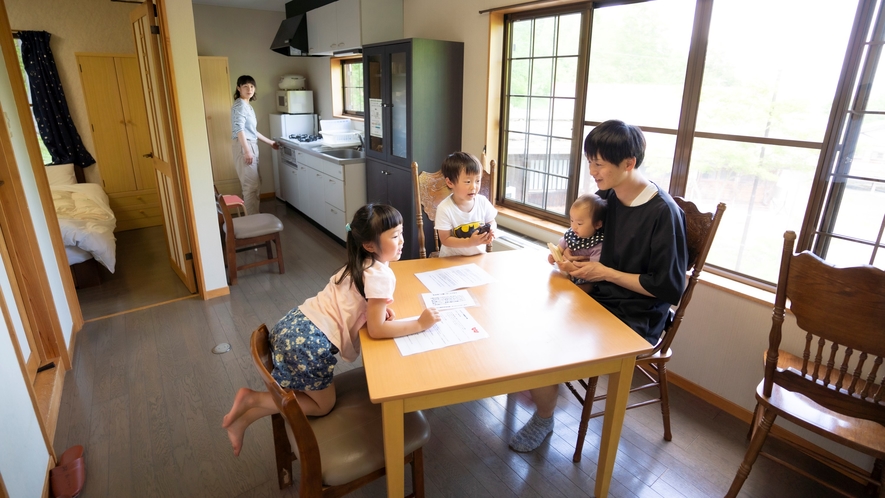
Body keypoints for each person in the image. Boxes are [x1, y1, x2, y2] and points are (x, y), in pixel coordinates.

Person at [509, 120, 688, 453]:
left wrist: (604, 273)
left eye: (599, 163)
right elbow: (585, 239)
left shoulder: (664, 213)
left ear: (629, 163)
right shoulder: (609, 199)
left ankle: (544, 410)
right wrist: (569, 258)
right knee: (529, 315)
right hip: (597, 295)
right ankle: (542, 386)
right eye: (590, 161)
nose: (592, 170)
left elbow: (668, 288)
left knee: (543, 342)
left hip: (636, 315)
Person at [222, 204, 441, 456]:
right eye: (394, 236)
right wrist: (420, 323)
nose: (402, 241)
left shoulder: (358, 264)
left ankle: (243, 419)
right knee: (323, 406)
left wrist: (372, 311)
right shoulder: (381, 275)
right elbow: (378, 330)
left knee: (312, 397)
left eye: (401, 233)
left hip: (293, 325)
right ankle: (253, 399)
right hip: (308, 345)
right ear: (369, 245)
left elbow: (357, 306)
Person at [434, 152, 498, 257]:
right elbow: (445, 239)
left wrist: (492, 230)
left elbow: (492, 221)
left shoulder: (482, 201)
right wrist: (469, 242)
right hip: (451, 260)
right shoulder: (444, 208)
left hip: (478, 257)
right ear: (450, 182)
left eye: (477, 181)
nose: (474, 187)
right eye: (468, 182)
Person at [231, 75, 279, 215]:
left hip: (250, 145)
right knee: (250, 187)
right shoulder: (240, 105)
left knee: (255, 185)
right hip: (244, 146)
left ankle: (254, 219)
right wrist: (246, 150)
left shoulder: (247, 106)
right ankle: (252, 223)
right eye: (245, 86)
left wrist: (270, 142)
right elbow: (238, 129)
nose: (249, 89)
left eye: (251, 86)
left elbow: (252, 131)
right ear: (238, 88)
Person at [548, 193, 607, 293]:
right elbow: (560, 249)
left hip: (585, 277)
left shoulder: (597, 245)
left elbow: (592, 270)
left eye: (579, 223)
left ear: (597, 224)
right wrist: (553, 256)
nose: (574, 227)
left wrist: (572, 267)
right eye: (572, 220)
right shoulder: (572, 234)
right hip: (567, 272)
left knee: (586, 287)